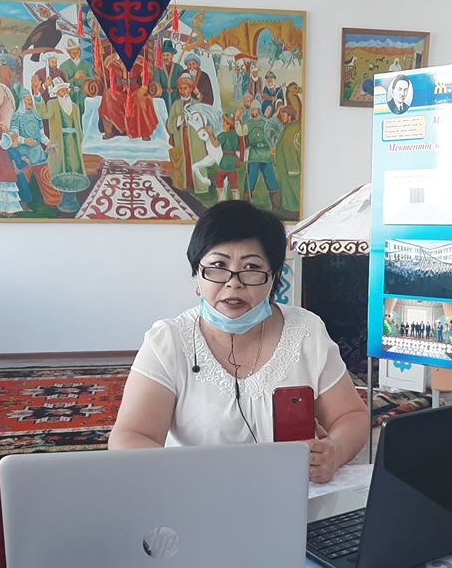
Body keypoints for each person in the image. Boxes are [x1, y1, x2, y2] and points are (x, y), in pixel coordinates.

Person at [110, 201, 369, 483]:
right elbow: (130, 436)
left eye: (251, 267)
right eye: (218, 266)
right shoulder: (168, 341)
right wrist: (193, 476)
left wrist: (334, 450)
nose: (234, 283)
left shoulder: (306, 331)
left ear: (274, 278)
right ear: (197, 275)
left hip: (289, 494)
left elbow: (351, 416)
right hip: (195, 494)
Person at [33, 77, 86, 179]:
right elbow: (43, 113)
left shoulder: (75, 107)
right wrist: (37, 94)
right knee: (61, 162)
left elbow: (78, 125)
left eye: (66, 90)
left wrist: (80, 136)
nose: (65, 92)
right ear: (57, 92)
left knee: (74, 161)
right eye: (62, 90)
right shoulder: (52, 104)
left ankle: (75, 179)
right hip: (60, 139)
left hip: (74, 139)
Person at [60, 37, 94, 114]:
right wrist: (74, 78)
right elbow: (61, 85)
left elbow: (94, 80)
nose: (77, 55)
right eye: (74, 53)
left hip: (85, 96)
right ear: (69, 53)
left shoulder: (87, 65)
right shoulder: (63, 66)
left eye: (78, 52)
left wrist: (85, 78)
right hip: (71, 97)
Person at [154, 40, 185, 113]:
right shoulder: (158, 69)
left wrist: (175, 91)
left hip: (176, 99)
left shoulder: (179, 68)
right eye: (163, 55)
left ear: (172, 55)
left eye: (167, 55)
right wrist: (164, 91)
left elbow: (182, 84)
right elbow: (156, 84)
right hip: (162, 100)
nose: (165, 57)